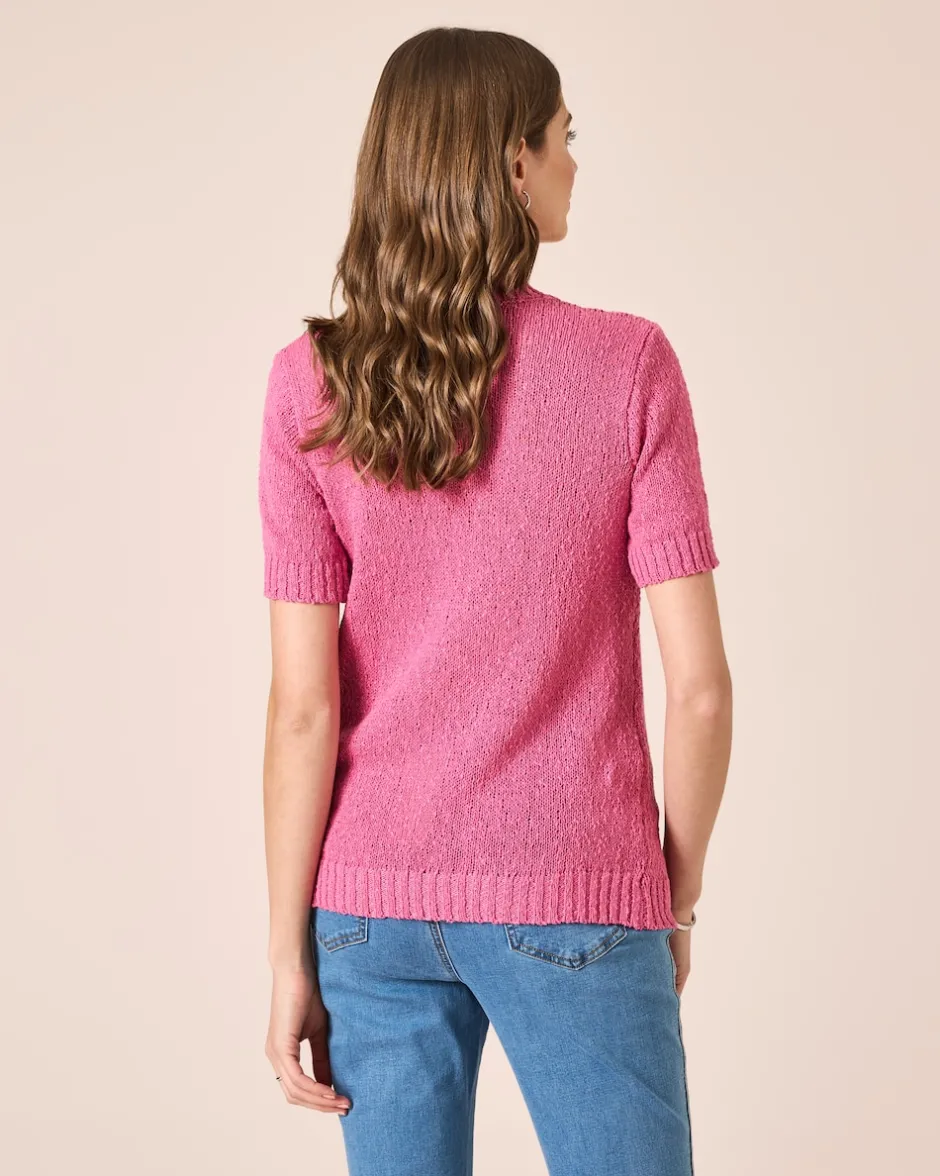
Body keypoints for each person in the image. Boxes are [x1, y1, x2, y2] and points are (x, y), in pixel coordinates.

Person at [257, 26, 732, 1176]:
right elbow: (701, 692)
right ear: (515, 163)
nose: (574, 161)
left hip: (365, 906)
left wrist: (287, 956)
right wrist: (670, 895)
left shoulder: (310, 384)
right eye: (564, 136)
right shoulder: (629, 366)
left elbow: (302, 708)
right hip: (575, 888)